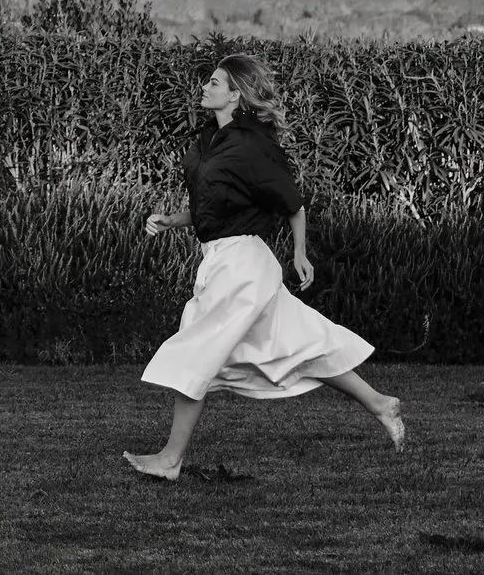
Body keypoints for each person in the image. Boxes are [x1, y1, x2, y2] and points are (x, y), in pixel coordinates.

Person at [124, 53, 406, 480]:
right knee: (298, 344)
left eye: (215, 83)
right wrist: (174, 220)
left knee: (197, 353)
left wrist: (299, 253)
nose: (205, 87)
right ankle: (381, 403)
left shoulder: (252, 144)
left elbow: (292, 204)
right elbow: (212, 205)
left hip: (243, 265)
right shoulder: (206, 141)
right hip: (220, 260)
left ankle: (170, 459)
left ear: (236, 95)